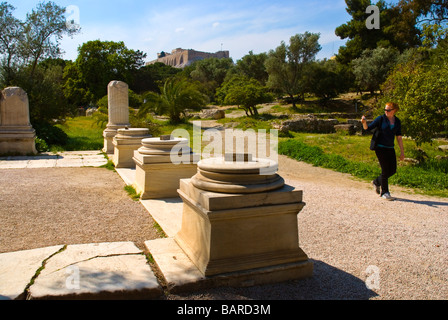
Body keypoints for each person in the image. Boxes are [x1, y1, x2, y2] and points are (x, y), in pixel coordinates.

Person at [361, 102, 405, 201]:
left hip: (390, 147)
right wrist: (364, 123)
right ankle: (385, 192)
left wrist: (402, 152)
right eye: (385, 109)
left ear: (394, 110)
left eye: (388, 110)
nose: (386, 111)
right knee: (385, 170)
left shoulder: (397, 121)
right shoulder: (380, 119)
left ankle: (376, 182)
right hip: (380, 147)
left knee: (392, 170)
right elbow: (367, 129)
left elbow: (399, 137)